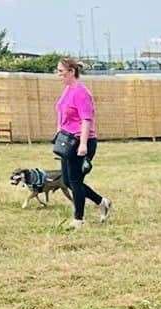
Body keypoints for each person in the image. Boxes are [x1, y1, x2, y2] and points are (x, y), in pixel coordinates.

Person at [54, 57, 110, 228]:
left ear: (72, 72)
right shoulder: (67, 90)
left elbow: (86, 119)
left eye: (61, 71)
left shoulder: (81, 92)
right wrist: (59, 132)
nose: (58, 75)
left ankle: (79, 220)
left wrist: (84, 144)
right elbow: (62, 113)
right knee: (67, 181)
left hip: (81, 141)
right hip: (67, 141)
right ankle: (102, 202)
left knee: (75, 181)